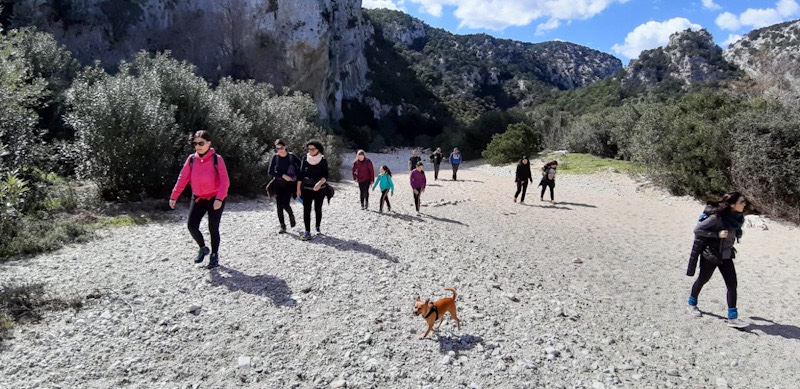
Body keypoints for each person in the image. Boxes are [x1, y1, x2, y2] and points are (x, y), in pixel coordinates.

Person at [686, 192, 748, 328]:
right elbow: (698, 230)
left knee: (732, 284)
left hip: (726, 254)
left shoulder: (738, 218)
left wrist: (737, 232)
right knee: (703, 279)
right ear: (732, 204)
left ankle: (732, 318)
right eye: (742, 202)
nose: (744, 204)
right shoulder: (717, 218)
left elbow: (735, 230)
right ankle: (691, 303)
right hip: (711, 254)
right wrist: (716, 234)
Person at [169, 130, 230, 269]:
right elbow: (182, 178)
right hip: (198, 198)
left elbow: (224, 181)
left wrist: (219, 198)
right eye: (195, 143)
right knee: (191, 226)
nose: (198, 146)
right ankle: (202, 248)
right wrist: (174, 196)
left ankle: (214, 255)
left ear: (209, 143)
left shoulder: (217, 159)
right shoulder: (191, 159)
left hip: (215, 198)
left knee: (213, 228)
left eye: (201, 143)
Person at [296, 140, 329, 241]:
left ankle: (317, 227)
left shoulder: (323, 160)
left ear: (318, 149)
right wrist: (298, 188)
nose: (310, 151)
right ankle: (307, 231)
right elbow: (300, 175)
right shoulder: (305, 159)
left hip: (320, 189)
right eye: (309, 149)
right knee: (306, 210)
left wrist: (319, 184)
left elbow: (326, 175)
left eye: (312, 149)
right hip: (307, 189)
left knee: (317, 208)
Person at [268, 139, 301, 233]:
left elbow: (301, 167)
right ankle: (282, 226)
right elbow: (270, 171)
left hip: (289, 185)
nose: (279, 150)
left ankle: (291, 215)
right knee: (279, 205)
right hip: (278, 184)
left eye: (281, 148)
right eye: (277, 148)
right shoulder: (275, 157)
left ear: (285, 147)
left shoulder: (292, 156)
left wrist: (296, 176)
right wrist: (282, 175)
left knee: (285, 203)